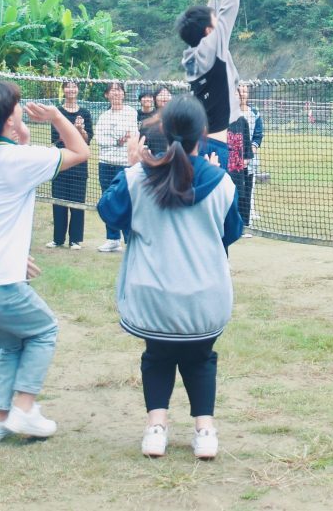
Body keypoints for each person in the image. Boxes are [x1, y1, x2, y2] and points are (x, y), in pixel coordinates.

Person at [98, 95, 242, 461]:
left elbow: (110, 214)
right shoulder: (222, 182)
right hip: (205, 299)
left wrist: (132, 166)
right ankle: (205, 430)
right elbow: (231, 232)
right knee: (200, 357)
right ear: (204, 133)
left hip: (152, 298)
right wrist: (212, 175)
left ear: (161, 129)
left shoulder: (138, 177)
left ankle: (156, 429)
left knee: (157, 356)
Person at [0, 82, 89, 442]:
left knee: (13, 343)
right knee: (44, 331)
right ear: (10, 119)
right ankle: (24, 408)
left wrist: (20, 136)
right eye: (16, 107)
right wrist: (57, 116)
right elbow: (79, 150)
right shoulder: (20, 160)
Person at [178, 0, 243, 163]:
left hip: (199, 141)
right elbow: (229, 8)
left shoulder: (192, 54)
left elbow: (211, 16)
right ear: (208, 32)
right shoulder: (213, 46)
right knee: (220, 197)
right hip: (216, 145)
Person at [91, 81, 140, 253]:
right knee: (108, 199)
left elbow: (131, 135)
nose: (116, 93)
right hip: (105, 162)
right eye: (112, 90)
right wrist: (118, 140)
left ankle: (129, 239)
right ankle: (112, 239)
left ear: (123, 94)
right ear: (106, 95)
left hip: (125, 164)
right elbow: (100, 139)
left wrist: (118, 139)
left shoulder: (131, 113)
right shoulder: (103, 116)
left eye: (118, 90)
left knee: (127, 199)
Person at [47, 80, 93, 250]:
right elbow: (56, 138)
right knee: (59, 201)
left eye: (74, 86)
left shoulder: (85, 113)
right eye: (68, 86)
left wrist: (80, 130)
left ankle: (75, 240)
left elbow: (87, 141)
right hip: (61, 161)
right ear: (64, 90)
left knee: (77, 202)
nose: (71, 89)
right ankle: (58, 239)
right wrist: (72, 130)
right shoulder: (57, 113)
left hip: (79, 164)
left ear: (78, 90)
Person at [226, 83, 256, 237]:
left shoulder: (242, 120)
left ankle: (242, 226)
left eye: (238, 94)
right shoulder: (220, 118)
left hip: (238, 165)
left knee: (240, 194)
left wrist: (246, 158)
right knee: (226, 194)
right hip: (225, 163)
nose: (236, 97)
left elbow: (246, 142)